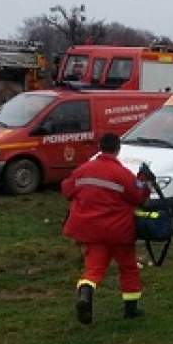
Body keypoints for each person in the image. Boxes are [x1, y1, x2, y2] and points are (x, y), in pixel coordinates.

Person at [61, 132, 154, 324]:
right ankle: (131, 310)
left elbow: (66, 190)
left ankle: (85, 294)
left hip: (90, 231)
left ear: (99, 148)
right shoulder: (123, 174)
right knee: (128, 268)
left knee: (93, 270)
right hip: (119, 232)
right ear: (118, 149)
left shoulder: (83, 170)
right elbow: (138, 198)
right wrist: (145, 184)